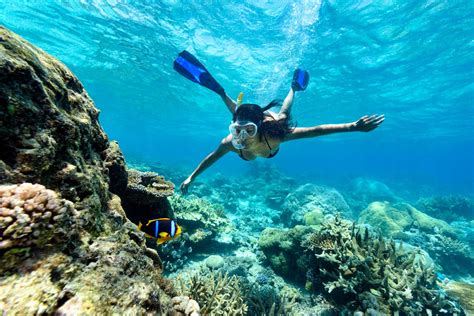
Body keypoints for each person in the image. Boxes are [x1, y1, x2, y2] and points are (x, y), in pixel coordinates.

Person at [173, 50, 385, 194]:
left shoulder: (274, 134)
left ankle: (293, 87)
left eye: (248, 130)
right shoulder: (231, 140)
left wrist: (352, 127)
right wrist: (192, 177)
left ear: (259, 127)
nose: (242, 136)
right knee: (236, 110)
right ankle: (220, 92)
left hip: (271, 126)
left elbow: (314, 131)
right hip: (250, 122)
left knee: (283, 114)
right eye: (237, 130)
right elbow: (212, 157)